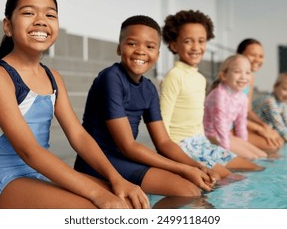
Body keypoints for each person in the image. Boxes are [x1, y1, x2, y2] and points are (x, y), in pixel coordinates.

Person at [0, 0, 149, 209]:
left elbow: (78, 135)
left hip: (42, 174)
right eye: (28, 13)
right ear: (8, 26)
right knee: (103, 210)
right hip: (6, 180)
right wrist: (97, 193)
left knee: (128, 200)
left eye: (50, 14)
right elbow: (29, 150)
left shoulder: (53, 78)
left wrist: (116, 178)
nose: (40, 20)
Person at [74, 15, 216, 198]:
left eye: (149, 47)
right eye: (132, 44)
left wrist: (197, 166)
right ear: (119, 48)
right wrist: (183, 169)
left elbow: (164, 142)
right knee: (187, 191)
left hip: (125, 159)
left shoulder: (149, 88)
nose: (141, 51)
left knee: (197, 187)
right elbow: (128, 146)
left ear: (157, 54)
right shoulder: (111, 78)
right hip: (98, 161)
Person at [159, 10, 263, 176]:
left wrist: (212, 145)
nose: (196, 47)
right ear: (173, 45)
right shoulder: (174, 76)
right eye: (188, 41)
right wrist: (172, 159)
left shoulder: (200, 78)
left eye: (201, 41)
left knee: (256, 168)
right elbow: (162, 123)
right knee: (231, 178)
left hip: (201, 143)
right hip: (182, 146)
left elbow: (198, 121)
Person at [204, 54, 268, 160]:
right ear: (224, 75)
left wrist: (243, 143)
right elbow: (219, 124)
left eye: (247, 72)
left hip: (226, 134)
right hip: (210, 135)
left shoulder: (242, 96)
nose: (243, 77)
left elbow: (241, 123)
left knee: (262, 155)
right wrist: (226, 153)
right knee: (252, 157)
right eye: (237, 72)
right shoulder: (219, 94)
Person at [236, 38, 284, 154]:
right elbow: (231, 116)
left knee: (277, 140)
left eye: (261, 56)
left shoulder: (250, 78)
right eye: (253, 55)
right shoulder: (234, 77)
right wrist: (259, 129)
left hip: (240, 123)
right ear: (240, 55)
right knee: (271, 145)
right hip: (225, 127)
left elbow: (247, 111)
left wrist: (265, 127)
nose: (257, 60)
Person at [253, 72, 287, 143]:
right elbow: (279, 126)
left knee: (280, 137)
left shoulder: (283, 104)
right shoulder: (269, 101)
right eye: (285, 89)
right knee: (278, 140)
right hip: (251, 129)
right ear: (275, 86)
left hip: (263, 129)